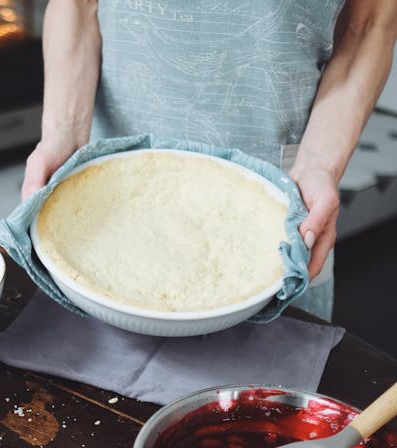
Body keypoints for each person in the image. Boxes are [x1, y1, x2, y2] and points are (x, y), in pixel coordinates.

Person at [21, 0, 397, 321]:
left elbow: (366, 25)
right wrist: (64, 133)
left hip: (282, 208)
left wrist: (320, 164)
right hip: (105, 207)